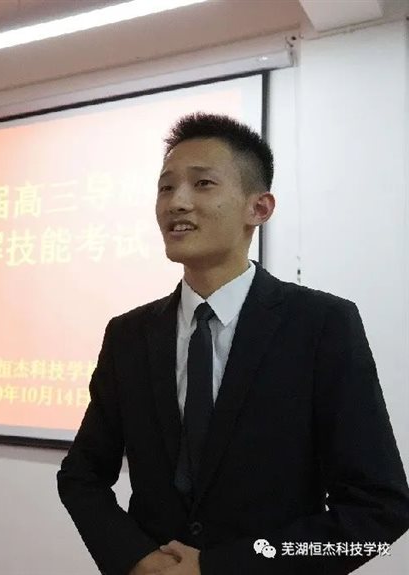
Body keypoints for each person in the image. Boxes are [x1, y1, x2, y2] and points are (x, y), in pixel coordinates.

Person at [57, 113, 409, 574]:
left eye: (202, 184)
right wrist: (135, 558)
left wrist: (224, 566)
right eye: (166, 187)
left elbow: (379, 512)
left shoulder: (321, 325)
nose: (177, 202)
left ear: (258, 208)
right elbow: (81, 476)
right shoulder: (129, 335)